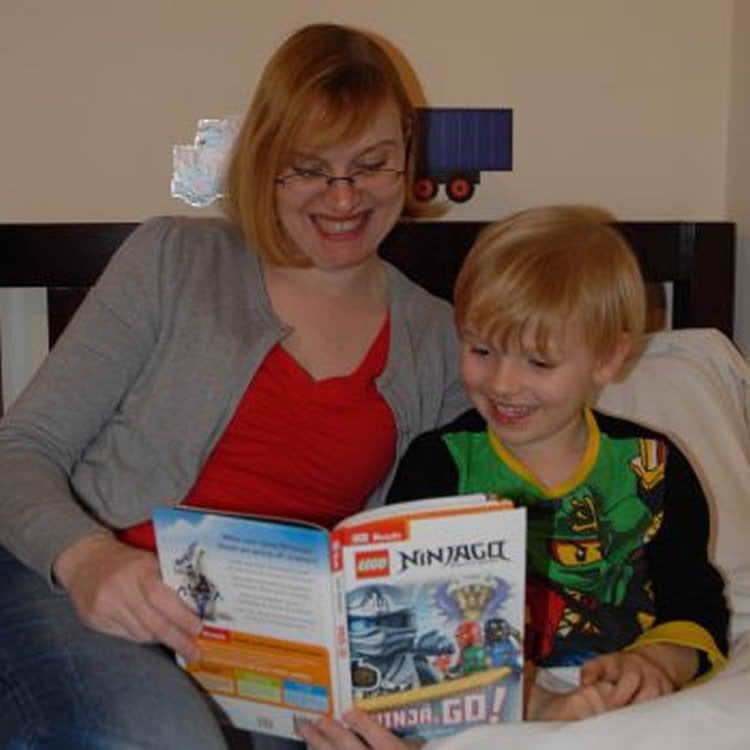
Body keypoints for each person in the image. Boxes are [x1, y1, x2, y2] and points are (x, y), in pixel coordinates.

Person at [0, 23, 468, 750]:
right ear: (265, 162)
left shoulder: (439, 339)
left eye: (370, 164)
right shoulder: (173, 260)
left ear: (406, 153)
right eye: (308, 168)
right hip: (78, 587)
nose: (342, 197)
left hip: (273, 647)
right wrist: (86, 558)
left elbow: (434, 557)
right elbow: (21, 447)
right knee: (162, 735)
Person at [299, 206, 729, 749]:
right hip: (480, 705)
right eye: (481, 350)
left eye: (538, 363)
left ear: (608, 358)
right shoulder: (442, 462)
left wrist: (656, 660)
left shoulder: (653, 466)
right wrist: (534, 702)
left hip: (622, 702)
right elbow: (417, 634)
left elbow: (696, 601)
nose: (502, 383)